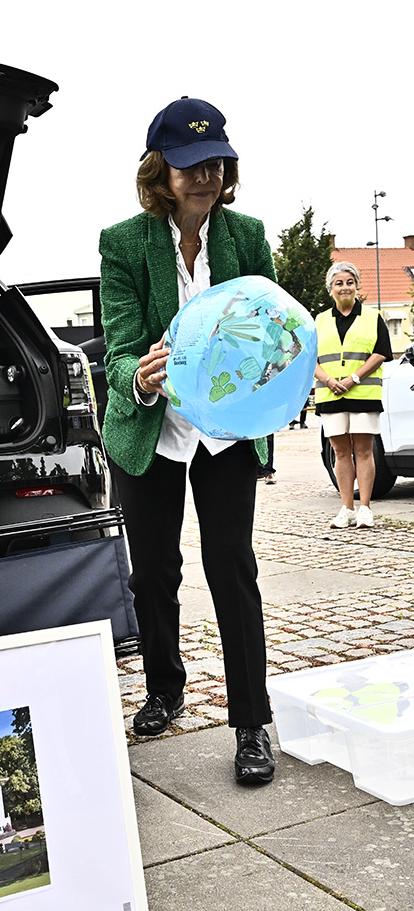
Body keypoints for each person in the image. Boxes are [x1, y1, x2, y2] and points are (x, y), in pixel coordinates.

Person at [99, 96, 276, 785]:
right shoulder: (124, 243)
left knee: (233, 565)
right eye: (189, 165)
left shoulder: (248, 235)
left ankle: (251, 723)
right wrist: (138, 376)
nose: (205, 175)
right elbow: (115, 351)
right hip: (153, 428)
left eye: (215, 162)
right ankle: (165, 687)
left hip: (224, 432)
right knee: (152, 572)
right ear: (160, 172)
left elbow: (268, 327)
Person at [314, 261, 392, 530]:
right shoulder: (319, 320)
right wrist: (328, 380)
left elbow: (381, 352)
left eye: (349, 282)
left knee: (363, 450)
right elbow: (310, 358)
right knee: (340, 451)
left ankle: (365, 509)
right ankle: (346, 508)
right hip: (331, 395)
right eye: (339, 283)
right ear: (330, 289)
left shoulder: (373, 317)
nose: (344, 287)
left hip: (363, 392)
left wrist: (353, 378)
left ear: (357, 286)